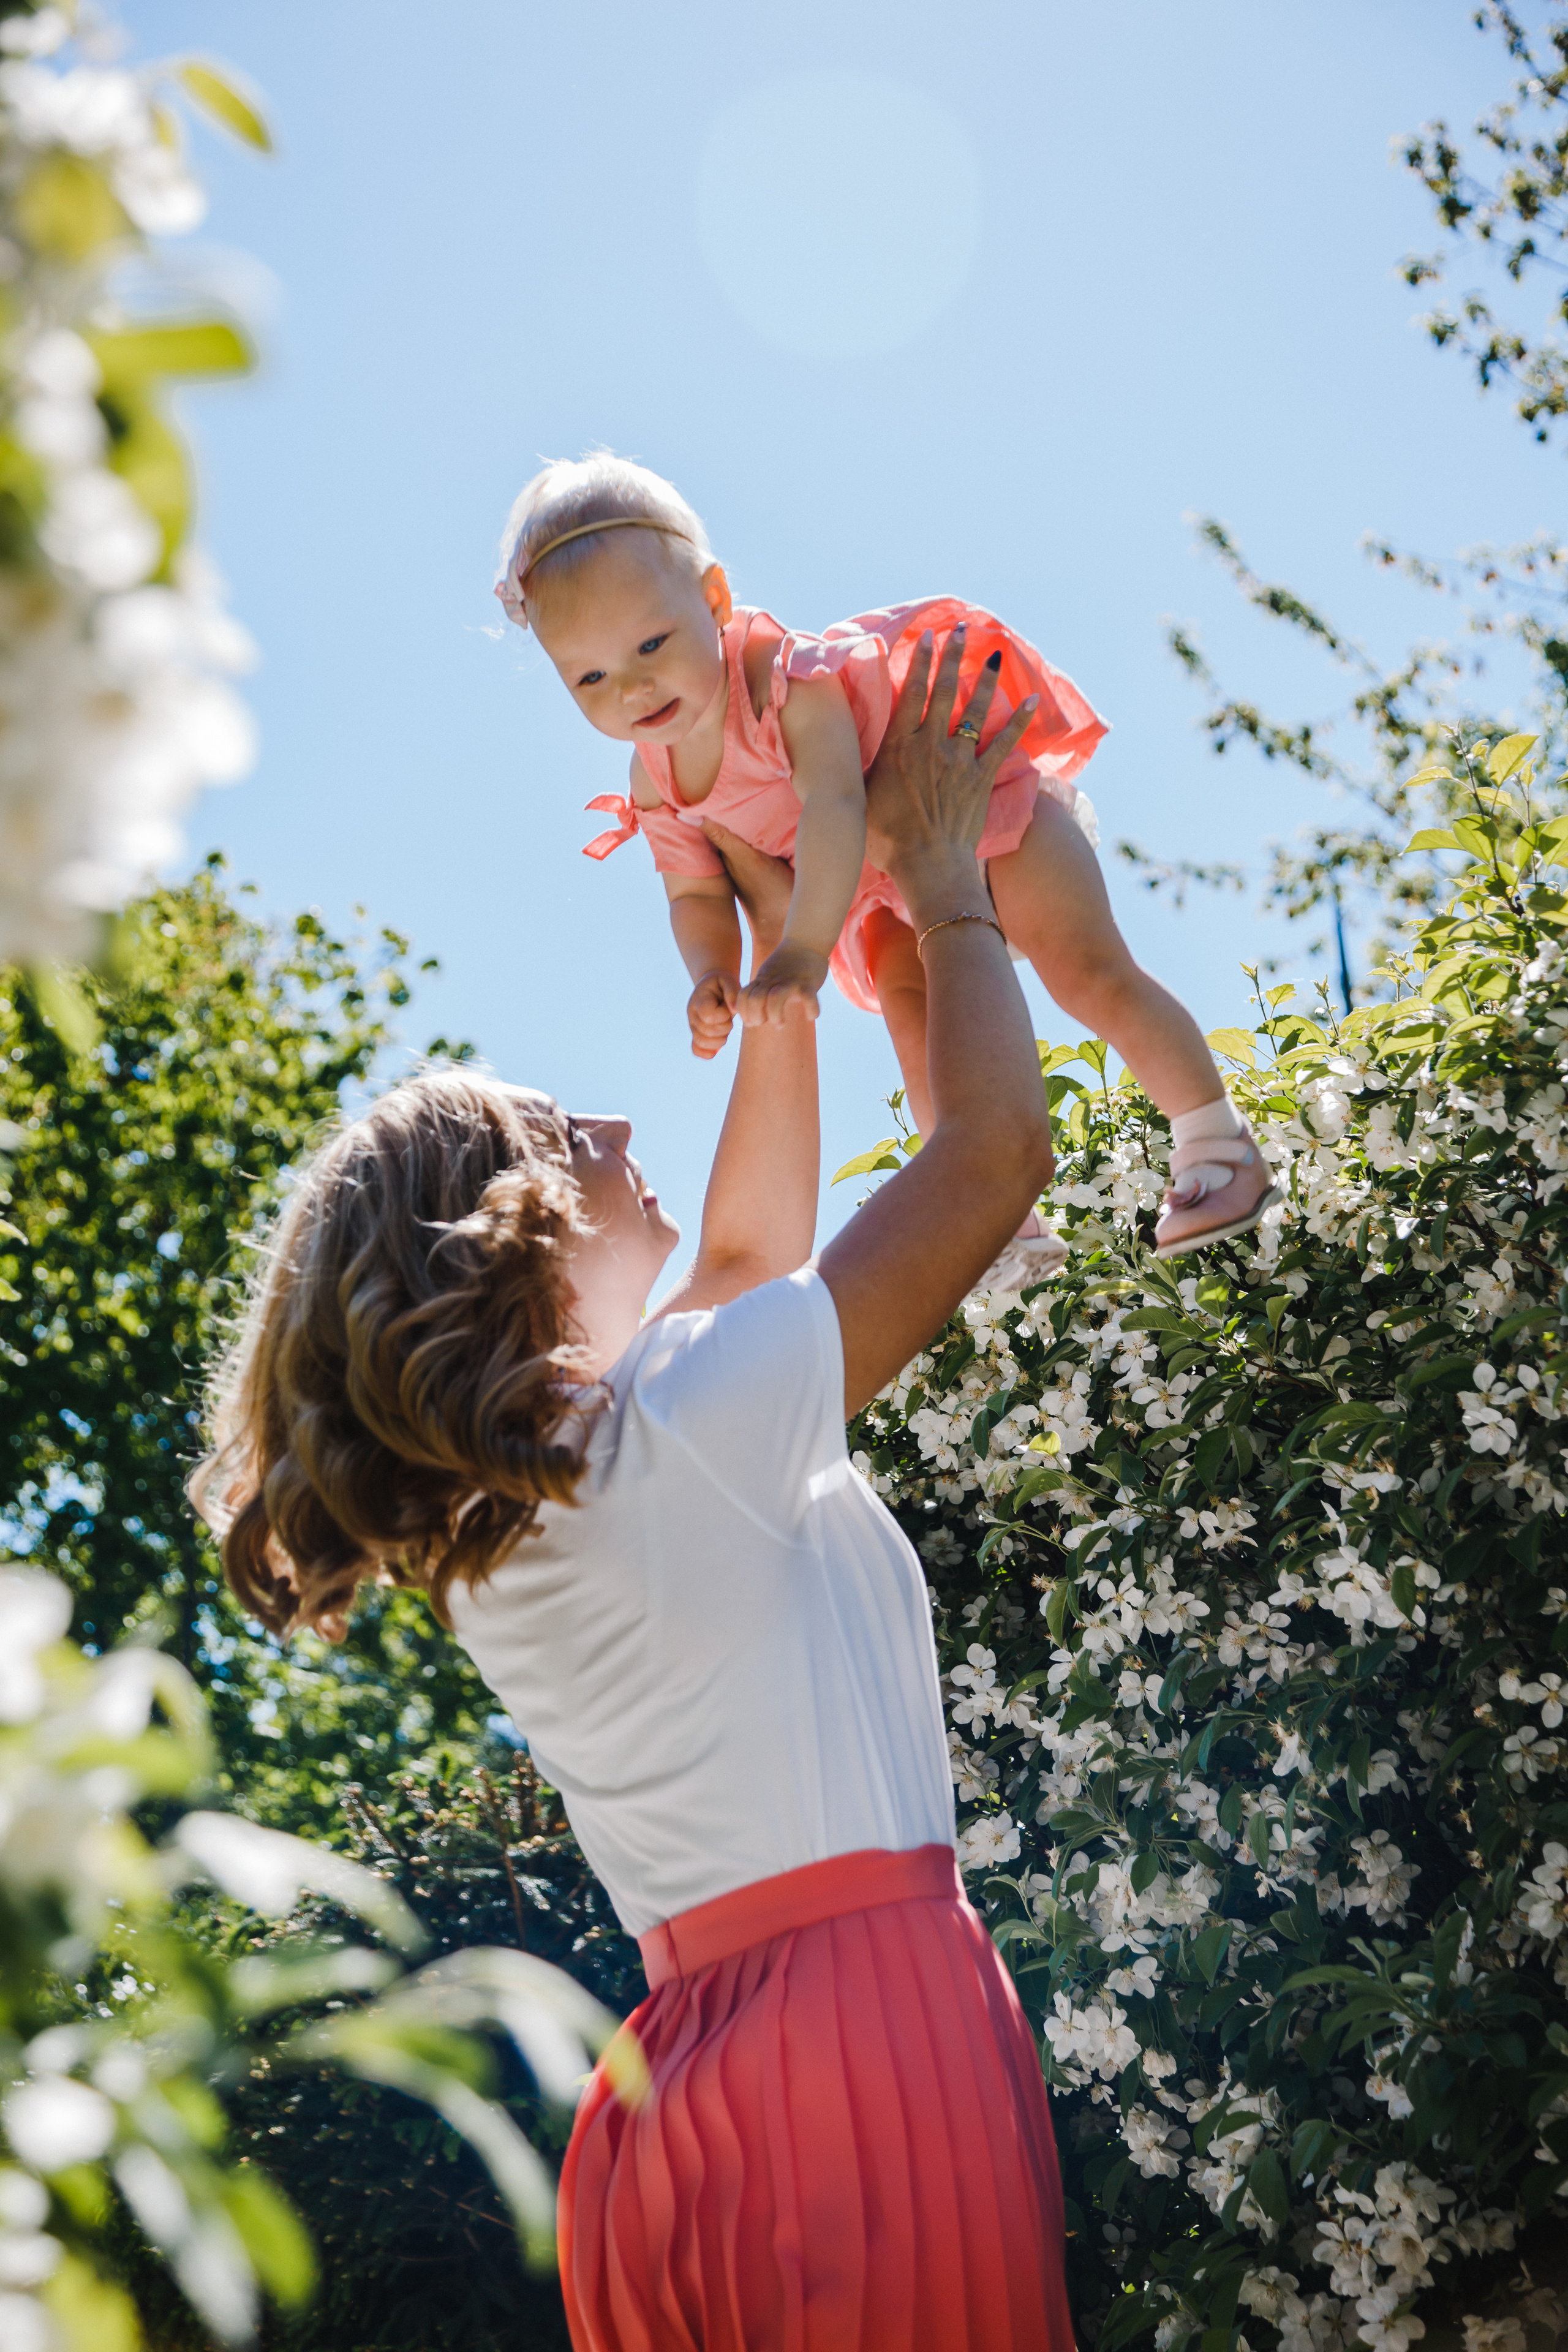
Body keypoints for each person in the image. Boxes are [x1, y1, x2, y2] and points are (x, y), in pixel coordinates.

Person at [195, 632, 1074, 2351]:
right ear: (509, 1237)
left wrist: (789, 958)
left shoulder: (543, 1496)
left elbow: (751, 1256)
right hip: (860, 2052)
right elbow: (991, 1158)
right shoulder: (671, 1435)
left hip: (698, 2081)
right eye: (557, 1127)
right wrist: (950, 879)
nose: (609, 1117)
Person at [495, 450, 1281, 1268]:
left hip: (965, 805)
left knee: (1084, 968)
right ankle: (1000, 1224)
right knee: (915, 1022)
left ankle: (1215, 1142)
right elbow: (694, 890)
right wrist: (710, 972)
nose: (632, 688)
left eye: (652, 642)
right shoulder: (652, 779)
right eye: (589, 677)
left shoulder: (782, 679)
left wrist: (801, 949)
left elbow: (839, 804)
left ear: (714, 600)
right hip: (874, 896)